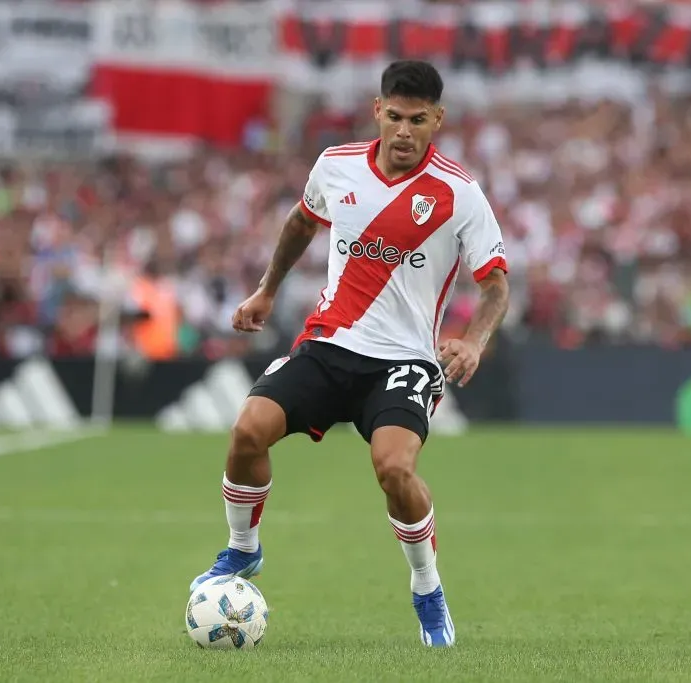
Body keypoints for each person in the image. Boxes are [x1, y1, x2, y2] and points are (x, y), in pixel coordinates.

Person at [188, 60, 510, 648]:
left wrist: (473, 340)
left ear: (438, 119)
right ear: (377, 112)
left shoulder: (460, 193)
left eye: (418, 119)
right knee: (247, 431)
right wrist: (267, 289)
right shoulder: (336, 166)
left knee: (394, 468)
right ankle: (242, 551)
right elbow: (299, 223)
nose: (405, 131)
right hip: (329, 344)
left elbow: (495, 286)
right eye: (395, 116)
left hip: (405, 361)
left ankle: (426, 587)